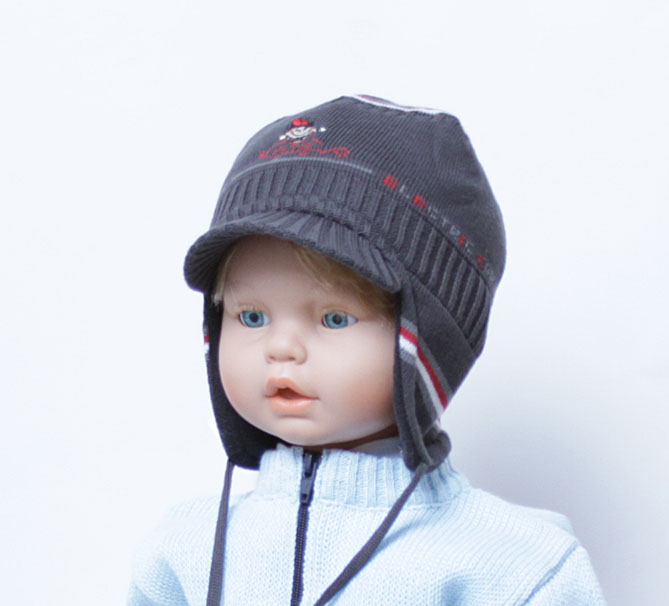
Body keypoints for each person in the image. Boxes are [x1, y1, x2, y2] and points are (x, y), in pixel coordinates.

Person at [128, 95, 607, 605]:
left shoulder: (514, 568)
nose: (281, 347)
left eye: (334, 318)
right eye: (251, 316)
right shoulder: (183, 550)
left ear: (426, 337)